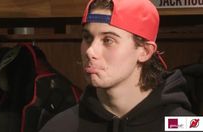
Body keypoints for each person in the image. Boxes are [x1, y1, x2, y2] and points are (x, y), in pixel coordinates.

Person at [39, 0, 195, 132]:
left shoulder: (185, 126)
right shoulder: (59, 127)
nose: (90, 51)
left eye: (108, 40)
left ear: (145, 51)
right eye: (87, 37)